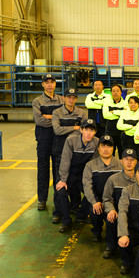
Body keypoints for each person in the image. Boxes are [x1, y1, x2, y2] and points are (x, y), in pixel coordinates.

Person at [54, 119, 98, 233]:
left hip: (83, 174)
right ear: (81, 130)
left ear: (95, 132)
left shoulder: (97, 143)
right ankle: (66, 220)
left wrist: (89, 181)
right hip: (68, 172)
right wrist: (63, 180)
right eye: (86, 129)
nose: (88, 133)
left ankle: (81, 215)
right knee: (61, 191)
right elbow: (65, 161)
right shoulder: (71, 140)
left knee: (93, 191)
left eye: (91, 130)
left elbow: (94, 164)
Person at [51, 88, 88, 219]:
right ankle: (58, 211)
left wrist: (68, 130)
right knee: (59, 181)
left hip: (76, 152)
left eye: (73, 97)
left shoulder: (82, 113)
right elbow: (57, 130)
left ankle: (75, 206)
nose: (71, 100)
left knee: (75, 180)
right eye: (69, 97)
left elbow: (84, 131)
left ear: (76, 99)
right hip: (59, 152)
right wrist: (74, 128)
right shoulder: (57, 112)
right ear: (64, 98)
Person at [32, 73, 63, 211]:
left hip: (58, 140)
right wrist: (57, 120)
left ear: (55, 84)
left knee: (59, 171)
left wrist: (49, 117)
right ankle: (42, 200)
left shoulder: (61, 100)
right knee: (43, 170)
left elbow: (65, 118)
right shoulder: (37, 101)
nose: (50, 85)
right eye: (47, 82)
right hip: (43, 140)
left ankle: (59, 200)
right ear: (43, 84)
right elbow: (39, 121)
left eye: (52, 82)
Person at [83, 135, 122, 244]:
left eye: (109, 146)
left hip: (114, 201)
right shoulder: (90, 165)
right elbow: (87, 186)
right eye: (103, 146)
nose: (106, 149)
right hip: (98, 200)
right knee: (95, 211)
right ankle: (96, 231)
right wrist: (94, 202)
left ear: (113, 148)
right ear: (98, 148)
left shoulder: (120, 165)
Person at [102, 148, 138, 259]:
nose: (129, 162)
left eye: (132, 159)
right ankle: (111, 246)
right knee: (111, 219)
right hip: (119, 213)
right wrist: (111, 210)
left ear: (136, 162)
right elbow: (106, 198)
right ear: (121, 161)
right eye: (126, 159)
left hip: (136, 214)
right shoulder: (113, 179)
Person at [102, 84, 127, 156]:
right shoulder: (107, 102)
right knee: (110, 153)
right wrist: (120, 114)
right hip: (110, 131)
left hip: (121, 132)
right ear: (111, 92)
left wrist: (113, 112)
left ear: (121, 92)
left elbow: (126, 114)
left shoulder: (125, 103)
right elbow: (105, 115)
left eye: (117, 91)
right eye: (113, 91)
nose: (115, 93)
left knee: (122, 153)